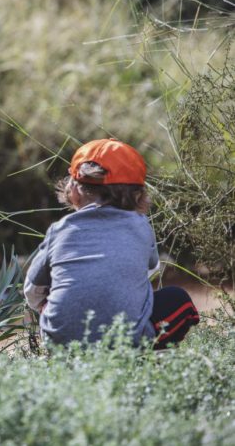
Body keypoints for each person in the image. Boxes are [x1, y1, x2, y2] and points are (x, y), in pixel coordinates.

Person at [23, 138, 199, 349]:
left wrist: (46, 305)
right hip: (125, 343)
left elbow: (32, 291)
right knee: (179, 300)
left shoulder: (60, 229)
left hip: (60, 344)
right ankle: (139, 359)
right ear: (138, 194)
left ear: (75, 190)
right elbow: (149, 270)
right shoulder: (141, 226)